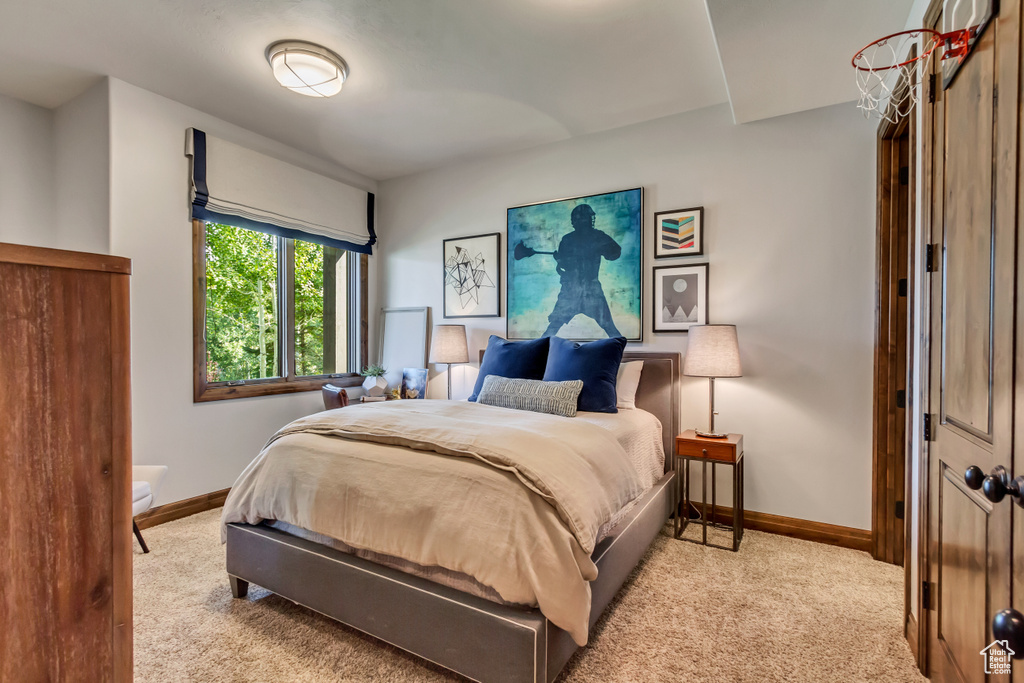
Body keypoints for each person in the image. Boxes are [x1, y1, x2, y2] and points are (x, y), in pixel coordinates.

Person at [543, 203, 622, 338]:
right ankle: (536, 354)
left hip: (586, 289)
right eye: (587, 218)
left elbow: (615, 252)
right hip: (574, 290)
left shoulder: (594, 237)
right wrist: (560, 261)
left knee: (608, 326)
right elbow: (565, 269)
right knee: (554, 325)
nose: (590, 221)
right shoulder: (571, 239)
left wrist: (600, 248)